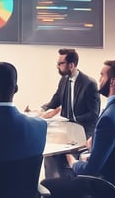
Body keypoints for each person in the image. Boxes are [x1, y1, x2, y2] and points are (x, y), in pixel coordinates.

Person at [41, 60, 115, 197]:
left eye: (102, 76)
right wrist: (94, 146)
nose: (99, 80)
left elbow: (90, 170)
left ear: (112, 82)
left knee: (47, 184)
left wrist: (74, 162)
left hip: (105, 186)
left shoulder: (109, 118)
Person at [39, 49, 100, 178]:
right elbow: (55, 100)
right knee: (50, 156)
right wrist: (41, 110)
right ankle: (52, 188)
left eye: (60, 63)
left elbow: (94, 115)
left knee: (65, 165)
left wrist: (72, 119)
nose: (58, 66)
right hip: (66, 132)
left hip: (83, 133)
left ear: (71, 65)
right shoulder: (64, 80)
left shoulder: (89, 84)